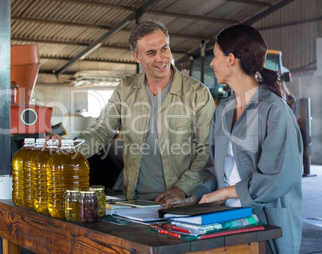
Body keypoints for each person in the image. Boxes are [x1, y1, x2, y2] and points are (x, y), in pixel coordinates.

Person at [165, 24, 303, 254]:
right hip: (228, 221)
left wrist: (225, 193)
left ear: (231, 59)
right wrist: (197, 197)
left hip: (266, 222)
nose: (211, 63)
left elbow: (278, 177)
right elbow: (216, 169)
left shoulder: (274, 110)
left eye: (215, 56)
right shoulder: (223, 111)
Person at [47, 20, 215, 204]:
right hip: (134, 201)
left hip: (179, 202)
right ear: (137, 57)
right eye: (151, 53)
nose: (161, 58)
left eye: (164, 49)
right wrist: (70, 149)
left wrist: (182, 188)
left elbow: (206, 151)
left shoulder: (197, 93)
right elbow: (101, 130)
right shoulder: (126, 89)